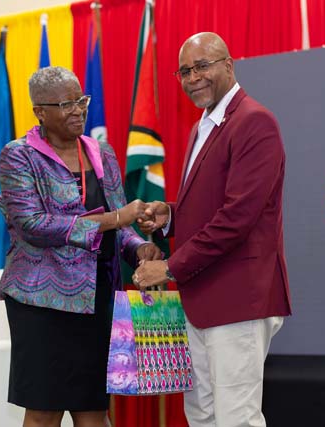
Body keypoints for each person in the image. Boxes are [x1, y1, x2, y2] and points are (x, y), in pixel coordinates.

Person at [133, 32, 292, 427]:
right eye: (184, 71)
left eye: (202, 66)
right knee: (202, 415)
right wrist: (171, 215)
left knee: (236, 418)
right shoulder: (202, 125)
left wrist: (169, 268)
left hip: (238, 297)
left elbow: (237, 218)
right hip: (201, 297)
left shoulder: (254, 121)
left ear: (229, 65)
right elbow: (211, 206)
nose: (193, 78)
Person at [0, 66, 162, 427]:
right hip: (42, 302)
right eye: (66, 104)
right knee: (44, 410)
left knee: (93, 410)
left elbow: (121, 223)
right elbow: (33, 224)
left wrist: (137, 248)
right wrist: (115, 219)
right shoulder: (19, 155)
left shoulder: (102, 152)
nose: (78, 111)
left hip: (98, 298)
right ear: (40, 112)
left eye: (81, 101)